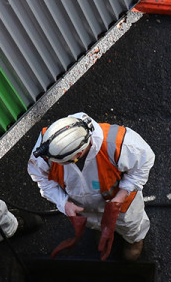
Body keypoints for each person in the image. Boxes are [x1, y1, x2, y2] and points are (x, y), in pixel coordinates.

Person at [27, 112, 154, 261]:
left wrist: (121, 196)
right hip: (81, 205)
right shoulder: (47, 146)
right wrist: (64, 203)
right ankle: (102, 229)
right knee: (95, 224)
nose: (54, 164)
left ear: (78, 153)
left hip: (122, 204)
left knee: (130, 225)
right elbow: (41, 178)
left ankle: (134, 242)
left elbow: (143, 164)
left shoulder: (120, 143)